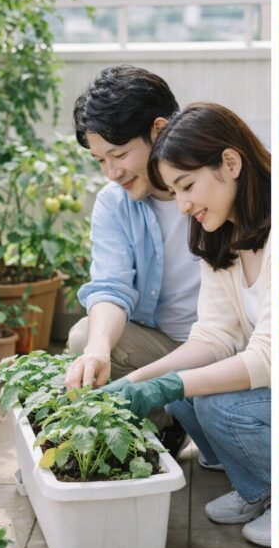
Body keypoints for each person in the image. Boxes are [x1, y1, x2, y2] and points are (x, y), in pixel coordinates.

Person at [104, 103, 272, 548]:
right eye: (174, 192)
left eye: (188, 186)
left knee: (215, 403)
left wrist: (167, 384)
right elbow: (215, 335)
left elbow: (268, 356)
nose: (182, 206)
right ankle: (255, 488)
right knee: (183, 397)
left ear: (230, 163)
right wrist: (140, 381)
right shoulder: (222, 235)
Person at [67, 65, 199, 456]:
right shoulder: (115, 202)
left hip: (226, 346)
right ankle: (168, 426)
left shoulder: (213, 183)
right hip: (165, 346)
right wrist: (97, 350)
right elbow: (111, 286)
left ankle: (199, 416)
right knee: (84, 338)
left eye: (119, 154)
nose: (112, 172)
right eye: (100, 160)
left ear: (159, 130)